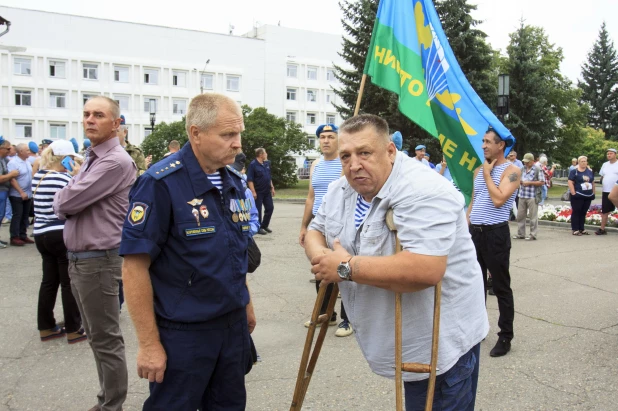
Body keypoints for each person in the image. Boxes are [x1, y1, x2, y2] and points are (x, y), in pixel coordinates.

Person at [307, 114, 487, 410]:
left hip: (437, 347)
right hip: (400, 338)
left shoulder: (424, 189)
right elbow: (316, 228)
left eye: (364, 153)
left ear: (390, 151)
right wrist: (320, 256)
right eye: (346, 156)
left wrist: (344, 267)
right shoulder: (343, 188)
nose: (354, 165)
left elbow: (425, 269)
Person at [120, 93, 255, 410]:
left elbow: (235, 250)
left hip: (231, 328)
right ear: (196, 133)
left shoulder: (233, 181)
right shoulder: (160, 183)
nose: (237, 144)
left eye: (239, 134)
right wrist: (149, 344)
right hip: (185, 333)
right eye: (227, 135)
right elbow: (134, 267)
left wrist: (245, 302)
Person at [53, 96, 135, 411]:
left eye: (98, 115)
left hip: (99, 261)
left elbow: (64, 203)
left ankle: (111, 405)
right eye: (86, 114)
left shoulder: (113, 161)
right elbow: (68, 198)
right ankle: (106, 401)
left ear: (116, 124)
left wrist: (64, 196)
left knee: (106, 339)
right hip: (83, 261)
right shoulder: (94, 157)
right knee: (97, 338)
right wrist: (67, 195)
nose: (90, 119)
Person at [467, 126, 520, 357]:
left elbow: (499, 199)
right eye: (483, 141)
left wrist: (489, 174)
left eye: (488, 142)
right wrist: (466, 226)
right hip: (475, 233)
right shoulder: (478, 170)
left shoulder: (513, 171)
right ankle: (477, 330)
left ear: (501, 145)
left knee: (500, 287)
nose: (483, 145)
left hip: (496, 235)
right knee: (474, 285)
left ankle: (505, 336)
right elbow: (474, 200)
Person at [299, 124, 352, 338]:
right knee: (321, 266)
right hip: (320, 226)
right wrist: (304, 226)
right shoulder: (316, 165)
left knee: (344, 269)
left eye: (331, 136)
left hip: (341, 224)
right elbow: (311, 197)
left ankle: (347, 319)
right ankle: (325, 314)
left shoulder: (344, 161)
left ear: (338, 139)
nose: (326, 140)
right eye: (322, 137)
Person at [32, 140, 86, 344]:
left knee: (48, 281)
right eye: (71, 159)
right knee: (68, 282)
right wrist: (76, 176)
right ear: (64, 158)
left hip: (41, 234)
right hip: (59, 233)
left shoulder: (39, 176)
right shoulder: (62, 178)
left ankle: (46, 326)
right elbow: (74, 202)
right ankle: (74, 328)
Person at [513, 153, 545, 241]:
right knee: (520, 216)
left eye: (527, 162)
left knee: (532, 216)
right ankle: (521, 234)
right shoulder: (522, 168)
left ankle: (533, 234)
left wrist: (529, 183)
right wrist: (519, 181)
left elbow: (542, 182)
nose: (525, 163)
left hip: (532, 196)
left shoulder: (538, 169)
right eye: (525, 162)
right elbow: (516, 178)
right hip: (522, 195)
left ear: (532, 161)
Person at [7, 143, 34, 246]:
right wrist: (21, 192)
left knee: (25, 215)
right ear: (21, 152)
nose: (29, 152)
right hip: (17, 194)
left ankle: (23, 235)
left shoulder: (27, 162)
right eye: (27, 150)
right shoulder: (13, 163)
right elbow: (12, 180)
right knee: (17, 215)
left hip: (28, 194)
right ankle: (14, 237)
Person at [248, 147, 275, 235]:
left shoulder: (266, 163)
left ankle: (264, 225)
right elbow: (250, 180)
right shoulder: (253, 165)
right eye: (265, 153)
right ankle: (258, 227)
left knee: (270, 208)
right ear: (261, 155)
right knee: (258, 210)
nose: (266, 154)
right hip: (258, 191)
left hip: (267, 191)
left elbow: (268, 176)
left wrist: (272, 187)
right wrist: (253, 192)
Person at [568, 156, 595, 236]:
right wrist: (573, 193)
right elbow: (570, 182)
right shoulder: (574, 172)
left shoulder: (589, 171)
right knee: (576, 211)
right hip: (578, 195)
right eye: (582, 161)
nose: (584, 163)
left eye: (585, 161)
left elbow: (593, 183)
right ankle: (575, 229)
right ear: (578, 162)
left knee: (583, 212)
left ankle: (581, 228)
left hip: (587, 195)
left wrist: (593, 193)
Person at [0, 137, 19, 248]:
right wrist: (11, 175)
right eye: (7, 149)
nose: (9, 151)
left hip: (3, 191)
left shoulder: (4, 159)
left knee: (1, 215)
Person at [595, 148, 618, 235]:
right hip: (606, 190)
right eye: (608, 154)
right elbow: (602, 176)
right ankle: (602, 229)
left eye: (611, 153)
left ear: (615, 154)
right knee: (605, 210)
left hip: (616, 191)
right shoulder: (605, 165)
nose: (609, 155)